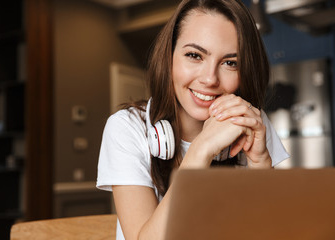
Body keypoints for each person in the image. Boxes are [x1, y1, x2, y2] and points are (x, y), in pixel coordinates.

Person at [97, 0, 289, 239]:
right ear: (169, 57)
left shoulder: (250, 120)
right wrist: (200, 150)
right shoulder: (126, 127)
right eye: (195, 55)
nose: (210, 79)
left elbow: (270, 231)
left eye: (230, 63)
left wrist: (260, 161)